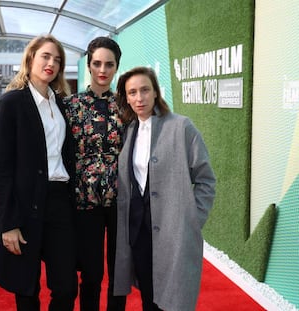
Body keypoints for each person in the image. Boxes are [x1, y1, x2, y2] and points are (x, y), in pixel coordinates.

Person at [113, 67, 216, 311]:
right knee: (149, 297)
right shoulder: (129, 131)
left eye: (145, 90)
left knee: (173, 299)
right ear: (126, 97)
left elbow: (206, 180)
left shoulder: (181, 127)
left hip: (173, 232)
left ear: (156, 92)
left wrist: (191, 219)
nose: (140, 98)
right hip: (139, 233)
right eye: (133, 92)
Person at [0, 34, 78, 311]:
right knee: (27, 289)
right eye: (45, 56)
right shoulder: (12, 103)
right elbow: (0, 167)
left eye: (57, 59)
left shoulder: (61, 104)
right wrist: (8, 222)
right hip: (25, 203)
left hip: (59, 202)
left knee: (66, 287)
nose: (51, 63)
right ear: (30, 58)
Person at [64, 37, 126, 311]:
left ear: (116, 68)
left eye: (109, 64)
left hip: (121, 201)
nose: (103, 69)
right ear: (88, 65)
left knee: (119, 272)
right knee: (90, 274)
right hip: (83, 202)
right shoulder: (70, 106)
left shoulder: (126, 107)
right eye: (97, 63)